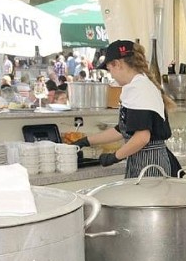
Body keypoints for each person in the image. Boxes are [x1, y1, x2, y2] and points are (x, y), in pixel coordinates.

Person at [73, 40, 179, 178]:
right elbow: (123, 129)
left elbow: (142, 138)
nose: (111, 75)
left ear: (117, 64)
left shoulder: (139, 88)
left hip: (150, 162)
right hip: (143, 160)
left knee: (145, 200)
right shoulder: (136, 86)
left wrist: (115, 156)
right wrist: (86, 141)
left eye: (110, 70)